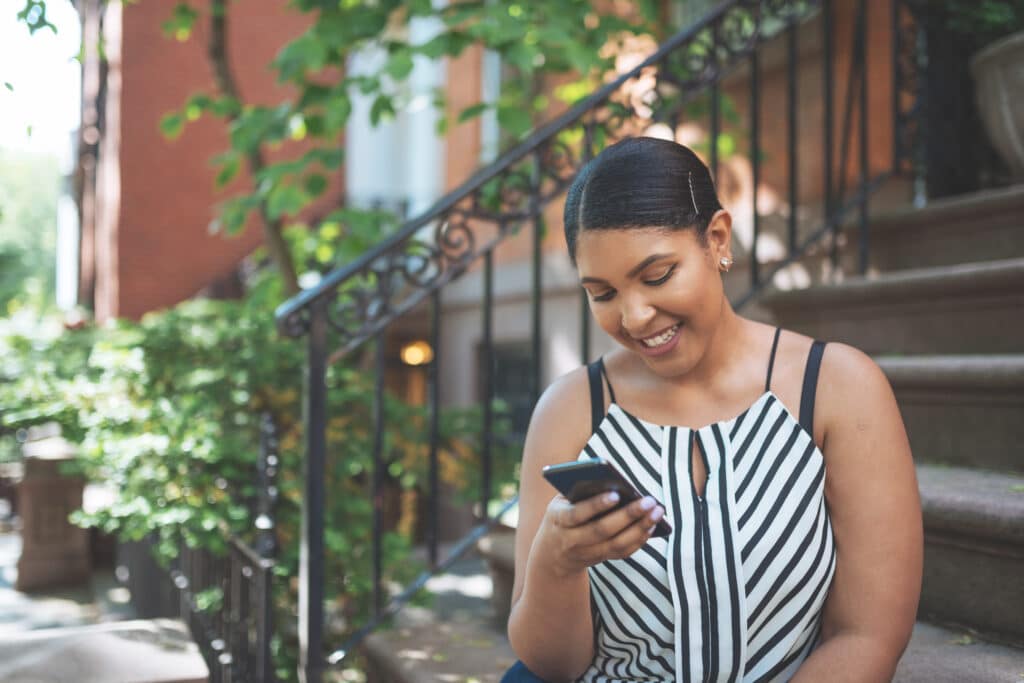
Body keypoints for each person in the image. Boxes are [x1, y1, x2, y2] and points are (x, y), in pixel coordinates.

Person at [503, 137, 922, 682]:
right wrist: (557, 563)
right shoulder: (571, 409)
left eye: (656, 276)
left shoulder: (836, 387)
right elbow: (550, 667)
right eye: (602, 294)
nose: (634, 317)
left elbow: (868, 636)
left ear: (717, 240)